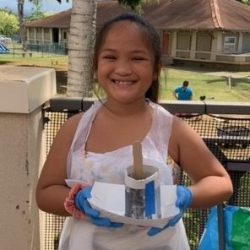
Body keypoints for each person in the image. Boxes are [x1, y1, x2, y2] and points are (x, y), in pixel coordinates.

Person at [36, 13, 233, 250]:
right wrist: (76, 199)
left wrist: (185, 196)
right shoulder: (76, 129)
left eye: (137, 58)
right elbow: (45, 193)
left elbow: (221, 183)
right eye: (110, 57)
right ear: (95, 67)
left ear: (155, 69)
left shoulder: (170, 129)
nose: (123, 68)